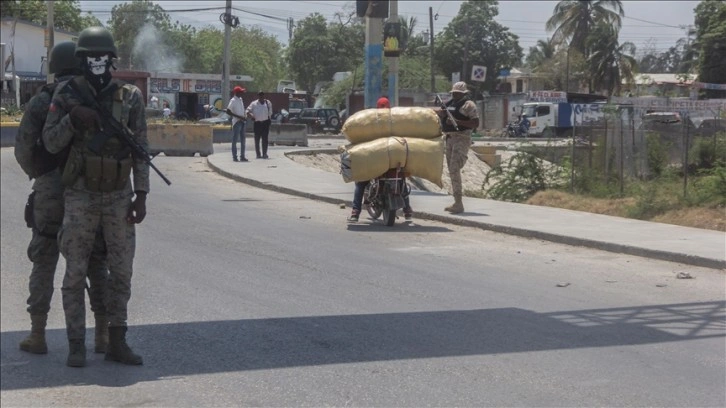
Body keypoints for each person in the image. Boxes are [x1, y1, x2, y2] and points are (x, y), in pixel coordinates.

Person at [42, 26, 148, 367]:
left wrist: (142, 193)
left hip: (118, 195)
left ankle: (117, 340)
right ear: (82, 60)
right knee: (74, 272)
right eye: (90, 58)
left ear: (112, 60)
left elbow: (141, 148)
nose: (97, 63)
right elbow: (50, 142)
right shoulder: (65, 95)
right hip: (81, 195)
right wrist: (73, 118)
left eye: (102, 57)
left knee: (121, 272)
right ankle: (76, 344)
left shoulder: (130, 96)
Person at [14, 41, 109, 357]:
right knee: (95, 258)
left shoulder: (43, 101)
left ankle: (37, 335)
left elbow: (23, 149)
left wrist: (42, 176)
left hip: (51, 190)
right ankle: (103, 336)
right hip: (89, 187)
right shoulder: (95, 96)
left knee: (44, 256)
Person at [348, 96, 413, 222]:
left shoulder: (372, 122)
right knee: (401, 180)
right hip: (393, 160)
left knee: (361, 182)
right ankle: (407, 211)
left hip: (376, 159)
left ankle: (355, 211)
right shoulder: (396, 122)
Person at [435, 81, 479, 214]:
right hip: (449, 139)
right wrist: (441, 114)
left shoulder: (468, 105)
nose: (455, 95)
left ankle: (459, 203)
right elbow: (440, 113)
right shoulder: (449, 105)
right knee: (452, 170)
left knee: (455, 167)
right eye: (454, 93)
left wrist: (457, 121)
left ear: (464, 94)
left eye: (458, 94)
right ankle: (457, 201)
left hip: (462, 138)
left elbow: (475, 123)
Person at [246, 91, 272, 159]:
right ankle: (258, 154)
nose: (261, 97)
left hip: (265, 123)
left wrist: (269, 119)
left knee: (265, 139)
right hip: (257, 123)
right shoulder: (254, 103)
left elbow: (270, 112)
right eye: (260, 96)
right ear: (258, 96)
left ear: (264, 96)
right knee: (257, 139)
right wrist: (251, 115)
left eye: (262, 95)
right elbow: (247, 111)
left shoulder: (268, 103)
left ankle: (265, 154)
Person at [226, 86, 247, 162]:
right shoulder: (233, 100)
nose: (242, 93)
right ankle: (234, 157)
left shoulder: (240, 99)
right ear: (237, 92)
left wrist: (244, 116)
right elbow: (228, 111)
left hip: (242, 121)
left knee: (243, 140)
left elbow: (242, 109)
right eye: (241, 92)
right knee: (235, 140)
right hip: (237, 122)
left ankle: (242, 156)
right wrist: (239, 117)